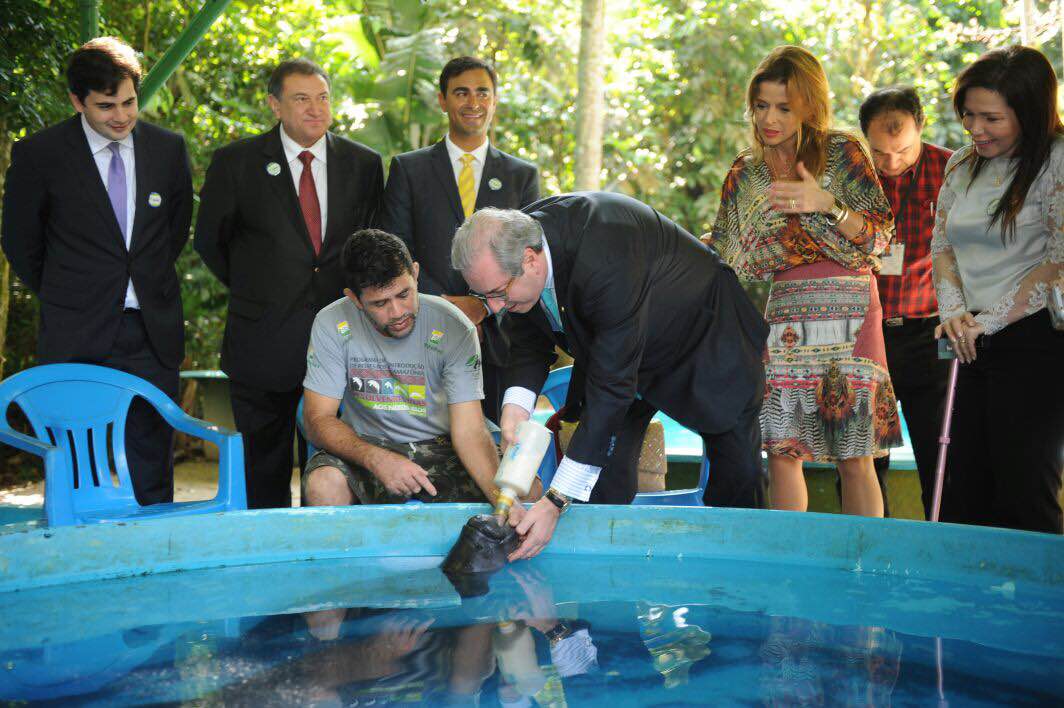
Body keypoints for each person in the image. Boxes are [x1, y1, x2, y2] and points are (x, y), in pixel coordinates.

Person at [452, 193, 770, 560]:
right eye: (483, 295)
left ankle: (740, 568)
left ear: (530, 259)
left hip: (704, 339)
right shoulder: (516, 241)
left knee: (737, 473)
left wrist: (555, 499)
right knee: (602, 477)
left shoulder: (604, 254)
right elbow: (527, 341)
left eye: (496, 294)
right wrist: (515, 410)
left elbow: (612, 387)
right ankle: (598, 577)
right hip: (618, 348)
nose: (493, 308)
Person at [711, 45, 900, 518]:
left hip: (852, 305)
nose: (769, 118)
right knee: (781, 449)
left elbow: (881, 241)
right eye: (761, 105)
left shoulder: (843, 152)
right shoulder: (746, 172)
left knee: (853, 453)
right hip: (789, 309)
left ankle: (862, 568)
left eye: (784, 107)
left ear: (808, 106)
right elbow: (733, 258)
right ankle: (793, 575)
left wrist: (826, 204)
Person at [1, 37, 192, 505]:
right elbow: (20, 241)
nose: (122, 116)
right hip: (76, 330)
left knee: (151, 450)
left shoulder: (168, 150)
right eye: (106, 106)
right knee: (71, 454)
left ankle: (153, 557)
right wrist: (69, 292)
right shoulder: (40, 154)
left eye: (129, 101)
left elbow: (174, 229)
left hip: (152, 330)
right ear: (76, 101)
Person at [194, 59, 384, 509]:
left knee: (334, 466)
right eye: (301, 99)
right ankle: (269, 562)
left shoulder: (363, 164)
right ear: (274, 105)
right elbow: (210, 243)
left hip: (342, 342)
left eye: (322, 97)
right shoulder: (236, 163)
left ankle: (328, 560)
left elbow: (371, 248)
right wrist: (261, 290)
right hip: (262, 339)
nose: (315, 109)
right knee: (263, 469)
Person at [301, 229, 539, 511]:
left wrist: (504, 505)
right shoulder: (331, 323)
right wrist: (377, 458)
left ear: (415, 274)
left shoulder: (454, 326)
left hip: (444, 445)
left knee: (526, 494)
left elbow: (470, 431)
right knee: (324, 484)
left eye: (404, 294)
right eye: (380, 303)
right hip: (367, 444)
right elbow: (317, 420)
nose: (397, 312)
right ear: (354, 299)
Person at [931, 45, 1064, 534]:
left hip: (1035, 341)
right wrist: (953, 311)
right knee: (963, 486)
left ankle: (1044, 605)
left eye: (991, 118)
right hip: (965, 339)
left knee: (1025, 484)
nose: (975, 129)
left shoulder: (1057, 161)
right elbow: (942, 242)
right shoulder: (963, 164)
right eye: (968, 115)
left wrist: (985, 322)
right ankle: (971, 604)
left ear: (1029, 113)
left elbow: (1057, 262)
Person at [379, 56, 540, 423]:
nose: (473, 103)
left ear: (494, 100)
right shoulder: (409, 168)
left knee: (493, 452)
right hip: (421, 334)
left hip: (498, 340)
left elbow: (529, 254)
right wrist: (443, 305)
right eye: (461, 93)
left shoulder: (521, 175)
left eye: (483, 92)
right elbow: (396, 249)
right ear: (442, 100)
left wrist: (483, 305)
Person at [857, 86, 953, 519]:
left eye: (903, 150)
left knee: (942, 451)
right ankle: (872, 549)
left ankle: (942, 539)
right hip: (868, 334)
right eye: (880, 152)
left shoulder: (952, 170)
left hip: (932, 331)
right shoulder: (854, 175)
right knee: (864, 458)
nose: (891, 163)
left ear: (921, 129)